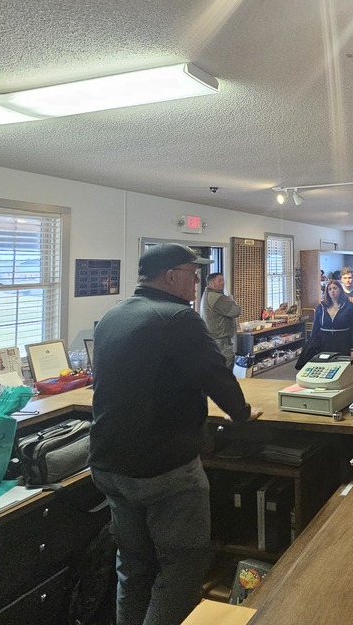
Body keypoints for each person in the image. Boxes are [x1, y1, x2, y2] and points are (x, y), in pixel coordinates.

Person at [89, 243, 261, 624]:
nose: (196, 279)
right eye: (191, 272)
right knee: (182, 567)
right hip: (163, 468)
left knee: (133, 566)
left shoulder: (113, 315)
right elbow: (216, 374)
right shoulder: (177, 318)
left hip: (108, 465)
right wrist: (242, 414)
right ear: (170, 277)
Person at [299, 279, 353, 368]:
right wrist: (311, 346)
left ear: (340, 289)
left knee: (341, 369)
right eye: (330, 289)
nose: (332, 291)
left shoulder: (349, 306)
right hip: (325, 343)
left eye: (335, 288)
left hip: (343, 343)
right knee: (325, 367)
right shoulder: (321, 307)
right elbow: (315, 328)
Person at [200, 271, 242, 369]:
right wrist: (233, 302)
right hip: (221, 341)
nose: (223, 283)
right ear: (211, 283)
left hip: (212, 338)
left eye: (223, 280)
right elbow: (236, 311)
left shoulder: (206, 296)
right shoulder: (217, 298)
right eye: (219, 281)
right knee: (226, 366)